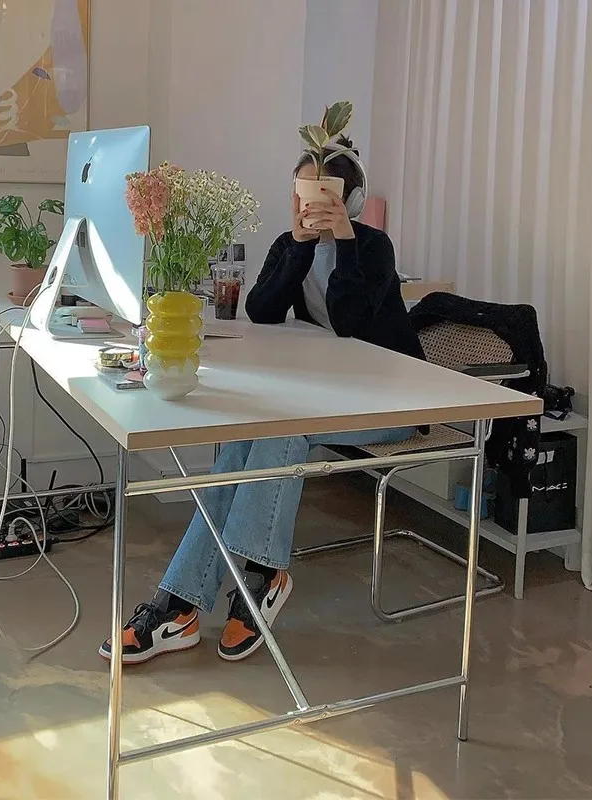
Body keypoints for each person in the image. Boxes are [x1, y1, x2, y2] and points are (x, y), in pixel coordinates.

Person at [100, 139, 425, 665]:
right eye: (300, 193)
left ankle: (243, 584)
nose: (307, 205)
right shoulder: (287, 244)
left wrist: (343, 238)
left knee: (280, 429)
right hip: (331, 397)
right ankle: (188, 602)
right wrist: (299, 246)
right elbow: (263, 309)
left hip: (391, 406)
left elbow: (350, 322)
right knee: (247, 433)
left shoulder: (372, 247)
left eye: (323, 195)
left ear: (352, 199)